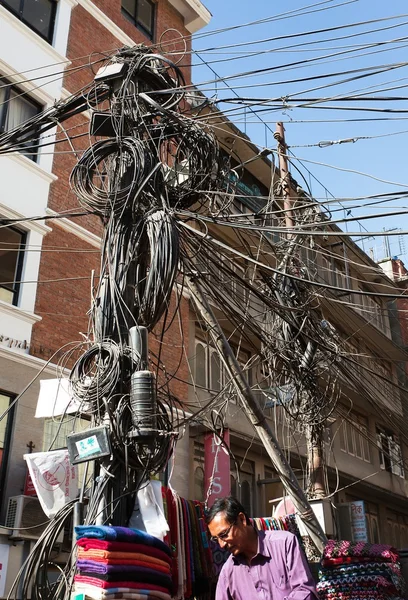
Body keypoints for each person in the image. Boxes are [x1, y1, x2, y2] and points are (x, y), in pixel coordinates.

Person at [207, 496, 318, 600]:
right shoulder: (228, 573)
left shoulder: (285, 544)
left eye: (224, 534)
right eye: (216, 539)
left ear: (242, 519)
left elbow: (305, 591)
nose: (221, 544)